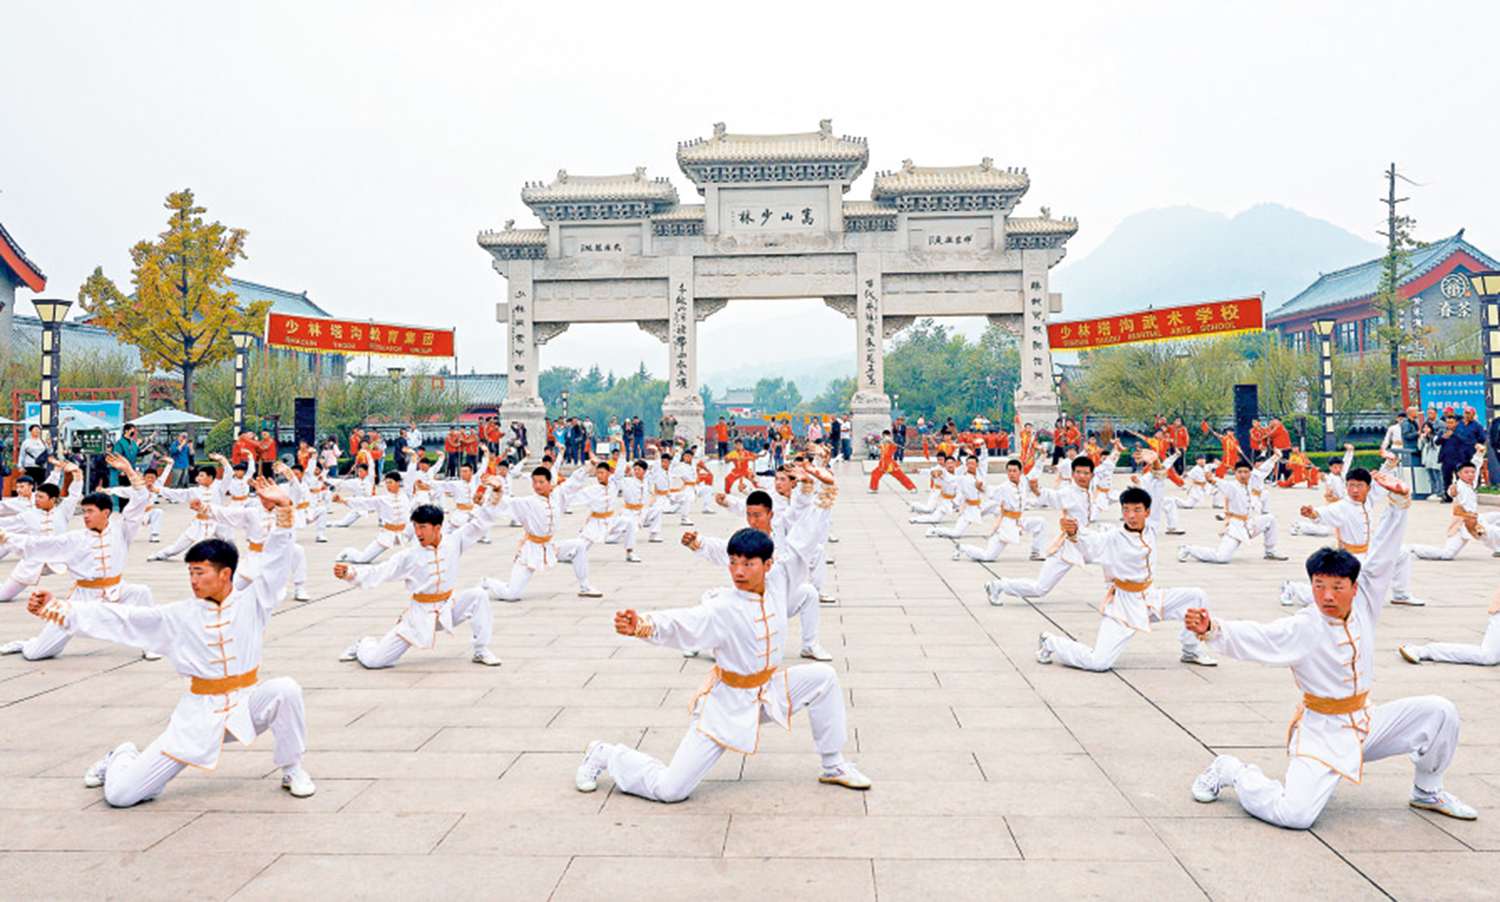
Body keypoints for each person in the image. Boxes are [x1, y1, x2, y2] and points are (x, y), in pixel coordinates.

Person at [1184, 472, 1478, 828]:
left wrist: (1399, 504)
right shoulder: (1305, 625)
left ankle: (1427, 791)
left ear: (1354, 587)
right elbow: (1260, 638)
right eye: (1318, 585)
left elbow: (1383, 555)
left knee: (1440, 711)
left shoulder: (1366, 600)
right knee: (1295, 816)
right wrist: (1213, 629)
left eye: (1337, 587)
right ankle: (1230, 770)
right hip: (1322, 731)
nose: (1326, 595)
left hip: (1366, 722)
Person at [22, 481, 315, 805]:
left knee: (286, 689)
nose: (193, 580)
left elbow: (275, 563)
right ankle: (121, 755)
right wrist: (58, 608)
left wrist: (284, 511)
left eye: (200, 572)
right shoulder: (177, 616)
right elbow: (121, 619)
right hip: (198, 717)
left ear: (225, 574)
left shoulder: (255, 602)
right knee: (121, 796)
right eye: (190, 573)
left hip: (247, 706)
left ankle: (292, 769)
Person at [574, 521, 870, 801]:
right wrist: (642, 625)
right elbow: (684, 622)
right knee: (670, 790)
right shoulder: (724, 607)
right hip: (726, 704)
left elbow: (803, 541)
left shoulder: (779, 581)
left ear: (768, 565)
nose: (738, 572)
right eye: (733, 562)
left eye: (748, 564)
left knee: (823, 677)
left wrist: (820, 497)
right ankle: (603, 753)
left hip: (767, 692)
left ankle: (833, 766)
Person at [1037, 483, 1216, 670]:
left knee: (1196, 596)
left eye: (1137, 510)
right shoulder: (1114, 537)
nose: (1131, 515)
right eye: (1126, 510)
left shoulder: (1151, 528)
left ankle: (1190, 650)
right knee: (1099, 663)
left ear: (1147, 512)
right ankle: (1050, 642)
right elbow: (1093, 544)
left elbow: (1157, 489)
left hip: (1150, 598)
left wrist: (1156, 470)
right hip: (1123, 604)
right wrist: (1075, 533)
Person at [0, 455, 155, 660]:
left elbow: (139, 501)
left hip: (117, 590)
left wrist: (129, 471)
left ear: (106, 512)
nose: (85, 516)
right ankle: (28, 644)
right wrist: (6, 537)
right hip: (82, 599)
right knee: (36, 654)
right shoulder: (74, 539)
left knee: (142, 592)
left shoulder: (123, 531)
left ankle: (150, 644)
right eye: (84, 511)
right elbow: (37, 545)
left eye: (90, 511)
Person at [336, 498, 504, 668]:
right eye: (415, 527)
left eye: (422, 527)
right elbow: (381, 571)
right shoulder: (410, 556)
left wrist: (495, 495)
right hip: (419, 614)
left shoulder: (454, 541)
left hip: (448, 607)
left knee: (478, 595)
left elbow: (479, 524)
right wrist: (350, 573)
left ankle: (480, 650)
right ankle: (362, 645)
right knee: (374, 661)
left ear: (437, 528)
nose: (417, 533)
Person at [479, 466, 604, 600]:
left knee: (579, 546)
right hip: (530, 550)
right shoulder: (528, 502)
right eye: (534, 482)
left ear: (549, 482)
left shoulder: (557, 496)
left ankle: (585, 586)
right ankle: (487, 582)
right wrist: (491, 494)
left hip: (549, 547)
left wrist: (588, 467)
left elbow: (572, 483)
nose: (537, 486)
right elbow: (507, 503)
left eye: (541, 482)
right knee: (513, 595)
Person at [1178, 455, 1288, 564]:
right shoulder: (1232, 487)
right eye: (1239, 472)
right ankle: (1188, 549)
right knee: (1221, 557)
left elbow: (1263, 469)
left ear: (1250, 473)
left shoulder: (1252, 481)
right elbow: (1221, 484)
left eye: (1246, 472)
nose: (1243, 475)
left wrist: (1275, 457)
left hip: (1249, 524)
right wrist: (1211, 480)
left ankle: (1270, 551)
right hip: (1235, 527)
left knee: (1270, 519)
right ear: (1235, 473)